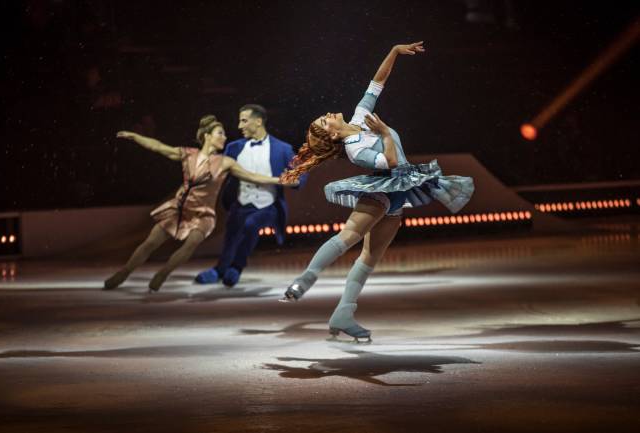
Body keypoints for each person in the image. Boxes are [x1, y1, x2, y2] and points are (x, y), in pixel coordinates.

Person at [278, 42, 475, 342]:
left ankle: (344, 312)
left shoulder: (358, 117)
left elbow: (377, 83)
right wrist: (384, 134)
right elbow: (390, 162)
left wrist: (394, 51)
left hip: (398, 195)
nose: (328, 113)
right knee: (349, 237)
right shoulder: (355, 149)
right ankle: (305, 280)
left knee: (370, 257)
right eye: (324, 119)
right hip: (384, 189)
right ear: (332, 133)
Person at [103, 115, 288, 292]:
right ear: (207, 136)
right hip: (179, 208)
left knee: (191, 243)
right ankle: (124, 272)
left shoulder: (225, 162)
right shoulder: (188, 155)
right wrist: (136, 136)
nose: (224, 137)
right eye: (220, 133)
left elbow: (252, 176)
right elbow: (159, 147)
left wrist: (279, 180)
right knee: (150, 243)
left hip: (203, 214)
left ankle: (163, 273)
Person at [194, 104, 303, 287]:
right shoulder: (234, 148)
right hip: (241, 203)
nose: (239, 126)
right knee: (231, 236)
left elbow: (300, 175)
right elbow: (221, 174)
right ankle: (220, 270)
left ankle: (236, 267)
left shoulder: (282, 149)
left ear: (258, 121)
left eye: (244, 121)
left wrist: (287, 180)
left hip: (268, 205)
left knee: (251, 224)